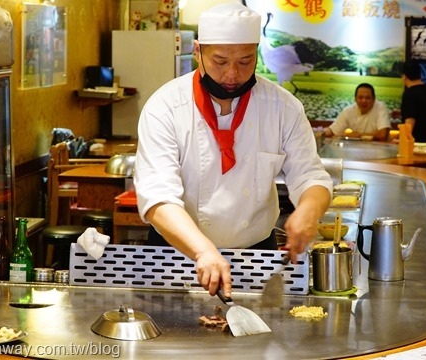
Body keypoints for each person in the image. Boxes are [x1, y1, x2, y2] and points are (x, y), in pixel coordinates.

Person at [134, 3, 332, 298]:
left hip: (257, 259)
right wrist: (202, 252)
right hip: (177, 257)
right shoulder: (166, 107)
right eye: (220, 61)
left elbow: (310, 176)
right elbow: (157, 198)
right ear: (198, 51)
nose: (232, 74)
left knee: (261, 338)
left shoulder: (282, 107)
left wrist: (308, 210)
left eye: (244, 61)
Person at [323, 83, 391, 141]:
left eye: (367, 98)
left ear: (374, 99)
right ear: (355, 99)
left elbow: (382, 134)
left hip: (378, 149)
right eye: (360, 97)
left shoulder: (380, 108)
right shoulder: (348, 111)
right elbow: (333, 131)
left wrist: (357, 135)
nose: (364, 101)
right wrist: (320, 132)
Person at [401, 60, 426, 146]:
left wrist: (402, 140)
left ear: (404, 76)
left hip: (417, 146)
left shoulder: (409, 94)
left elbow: (410, 121)